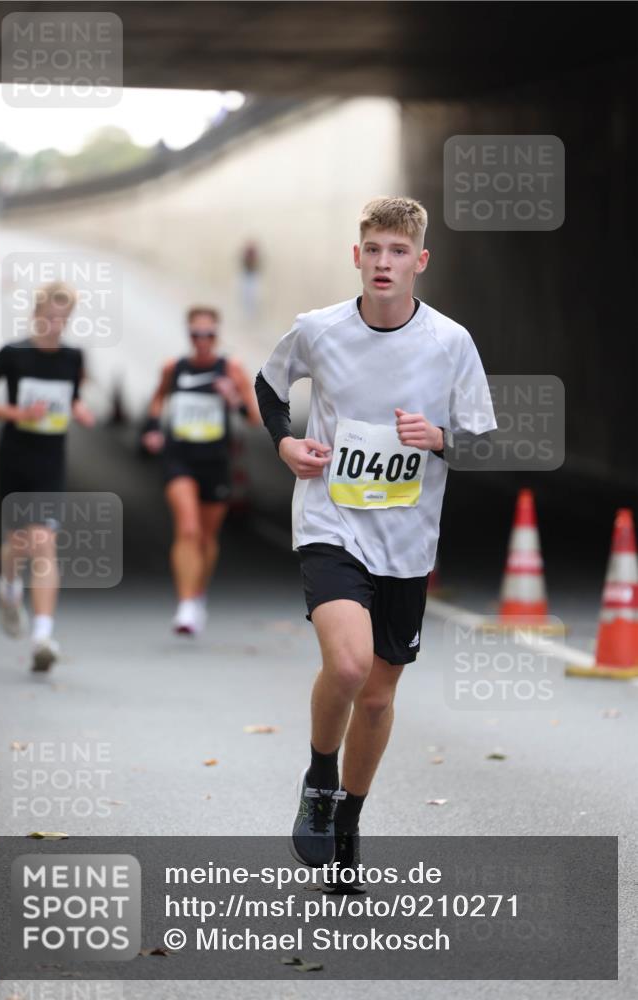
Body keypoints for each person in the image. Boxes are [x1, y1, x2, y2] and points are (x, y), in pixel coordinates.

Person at [255, 196, 496, 890]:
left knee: (379, 698)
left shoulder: (450, 342)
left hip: (407, 539)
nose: (383, 262)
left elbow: (481, 440)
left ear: (420, 261)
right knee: (350, 664)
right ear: (355, 256)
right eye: (373, 250)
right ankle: (318, 779)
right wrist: (285, 443)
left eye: (398, 252)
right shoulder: (319, 329)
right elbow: (269, 387)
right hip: (330, 521)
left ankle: (347, 823)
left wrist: (440, 438)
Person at [0, 281, 95, 671]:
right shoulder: (13, 355)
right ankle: (9, 587)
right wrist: (18, 414)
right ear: (36, 315)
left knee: (44, 541)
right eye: (48, 317)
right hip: (15, 456)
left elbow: (71, 395)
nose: (54, 325)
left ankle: (42, 636)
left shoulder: (73, 357)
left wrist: (79, 409)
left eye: (62, 319)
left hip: (50, 460)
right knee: (18, 542)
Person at [141, 306, 260, 635]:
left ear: (217, 335)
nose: (202, 341)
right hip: (179, 457)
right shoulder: (174, 368)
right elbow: (157, 399)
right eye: (196, 335)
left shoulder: (231, 369)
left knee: (207, 539)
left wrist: (233, 397)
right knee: (188, 530)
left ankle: (197, 594)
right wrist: (152, 428)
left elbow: (254, 417)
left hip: (215, 460)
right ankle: (186, 605)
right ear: (189, 335)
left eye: (209, 335)